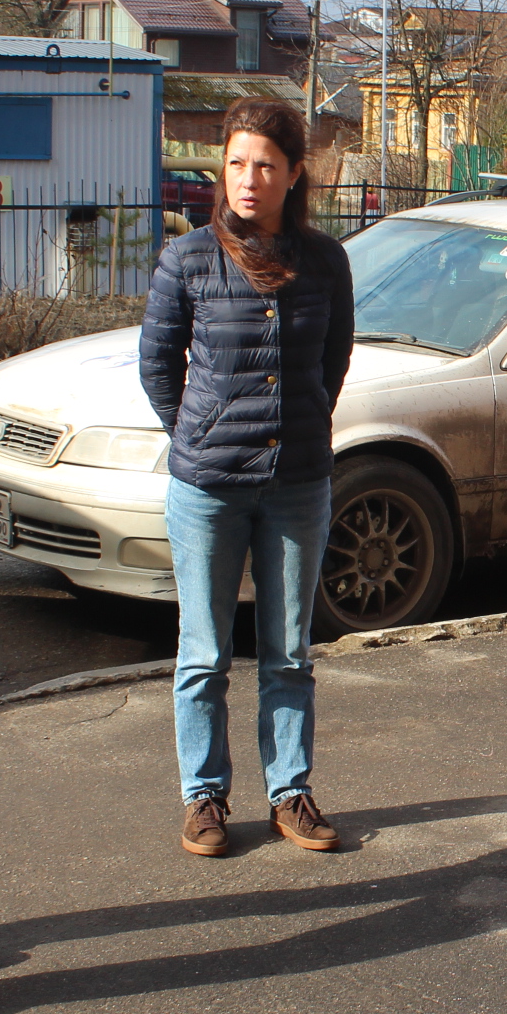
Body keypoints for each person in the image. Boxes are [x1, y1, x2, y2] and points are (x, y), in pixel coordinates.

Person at [141, 99, 354, 858]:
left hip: (298, 482)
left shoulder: (326, 261)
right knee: (203, 652)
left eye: (265, 164)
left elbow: (332, 363)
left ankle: (289, 792)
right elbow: (158, 367)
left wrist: (295, 427)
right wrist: (199, 435)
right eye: (235, 163)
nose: (248, 179)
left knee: (289, 651)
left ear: (294, 173)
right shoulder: (188, 258)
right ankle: (203, 797)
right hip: (208, 487)